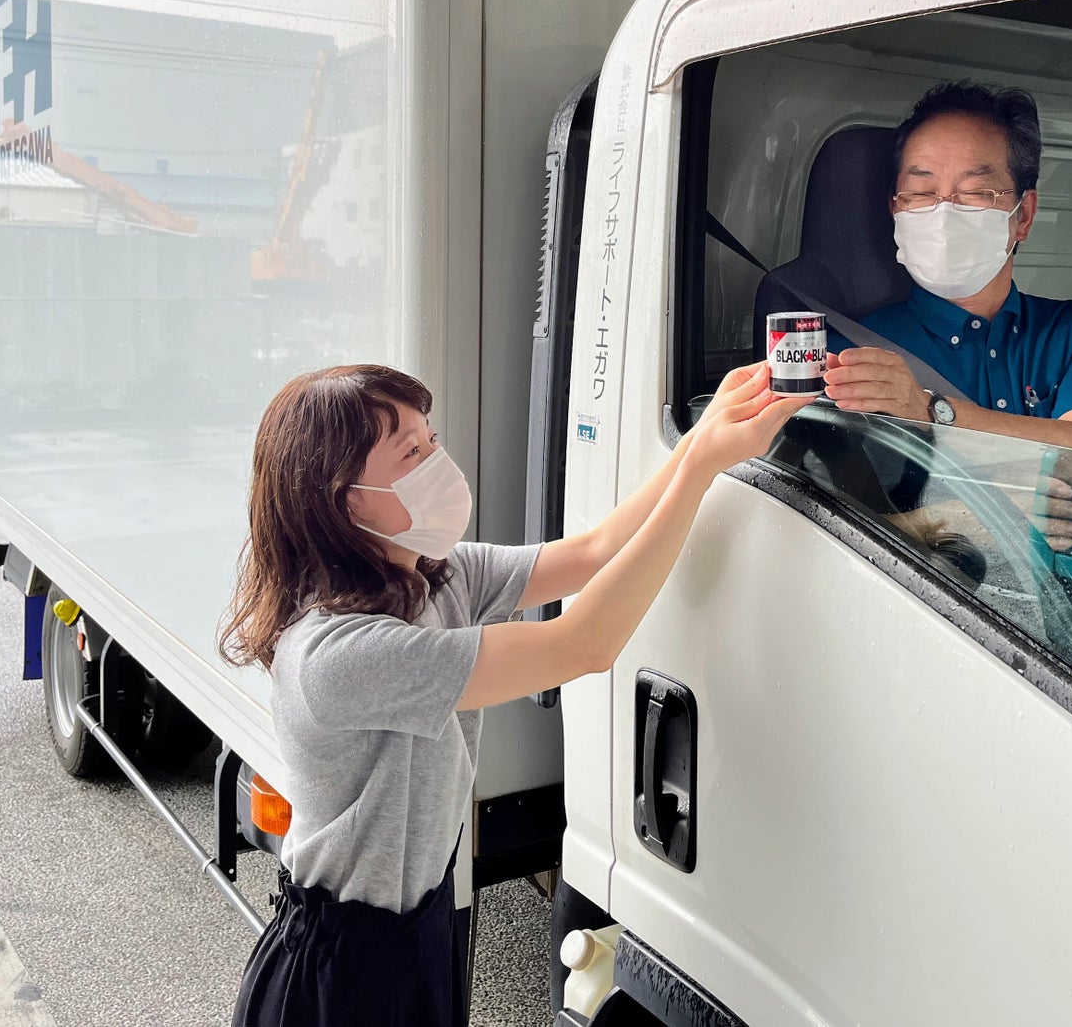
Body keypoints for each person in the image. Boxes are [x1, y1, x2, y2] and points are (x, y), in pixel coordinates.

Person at [219, 361, 804, 1027]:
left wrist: (704, 438)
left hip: (420, 927)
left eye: (431, 440)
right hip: (343, 966)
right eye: (411, 452)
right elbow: (583, 645)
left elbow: (596, 551)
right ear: (344, 499)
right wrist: (701, 463)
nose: (438, 461)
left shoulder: (434, 579)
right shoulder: (339, 654)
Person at [825, 79, 1072, 461]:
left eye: (975, 193)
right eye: (921, 193)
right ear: (895, 210)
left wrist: (929, 411)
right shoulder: (850, 354)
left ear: (1024, 215)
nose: (944, 212)